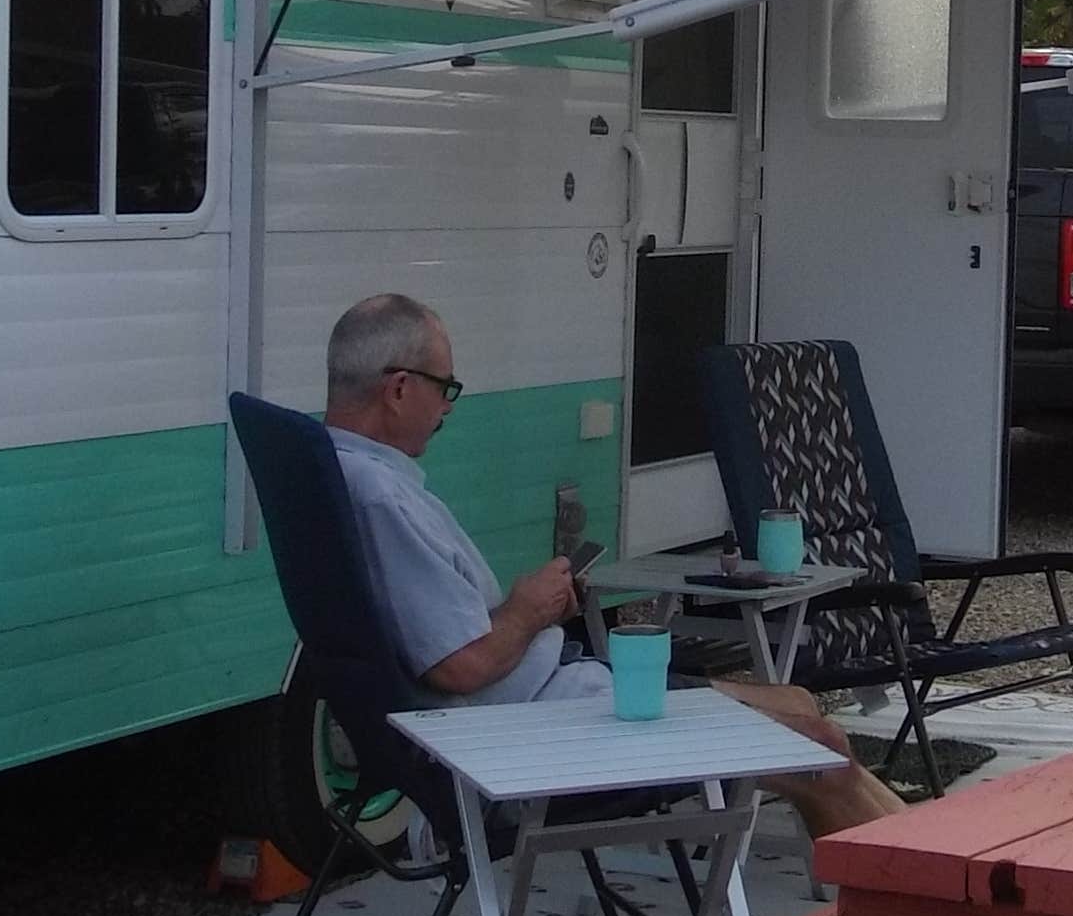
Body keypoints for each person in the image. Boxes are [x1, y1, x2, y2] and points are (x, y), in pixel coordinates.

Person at [322, 291, 903, 838]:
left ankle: (937, 880)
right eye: (444, 386)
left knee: (801, 707)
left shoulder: (339, 476)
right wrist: (528, 610)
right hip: (526, 733)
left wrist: (532, 611)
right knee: (820, 754)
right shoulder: (382, 498)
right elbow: (460, 668)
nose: (449, 404)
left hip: (553, 698)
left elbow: (441, 646)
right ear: (399, 389)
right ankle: (918, 910)